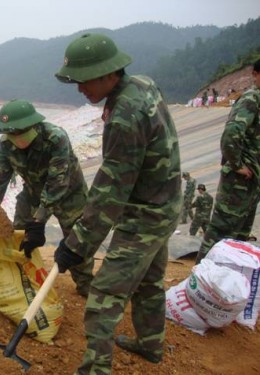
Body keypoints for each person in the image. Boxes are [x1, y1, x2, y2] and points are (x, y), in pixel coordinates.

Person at [53, 33, 182, 374]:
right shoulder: (142, 84)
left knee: (104, 296)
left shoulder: (125, 115)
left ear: (110, 73)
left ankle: (96, 369)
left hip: (145, 216)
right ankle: (150, 345)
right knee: (150, 281)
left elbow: (111, 190)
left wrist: (76, 244)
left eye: (85, 80)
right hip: (166, 204)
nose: (81, 89)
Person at [0, 99, 94, 300]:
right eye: (12, 133)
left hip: (70, 194)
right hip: (33, 192)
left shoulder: (56, 138)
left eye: (21, 131)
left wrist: (38, 221)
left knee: (76, 240)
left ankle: (87, 287)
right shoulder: (6, 144)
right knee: (19, 235)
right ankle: (14, 284)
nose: (17, 138)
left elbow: (57, 183)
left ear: (34, 124)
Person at [195, 59, 260, 264]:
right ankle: (200, 278)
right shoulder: (252, 99)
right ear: (256, 75)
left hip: (253, 180)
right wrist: (237, 165)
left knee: (240, 235)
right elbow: (231, 134)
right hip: (239, 180)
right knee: (221, 231)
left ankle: (225, 281)